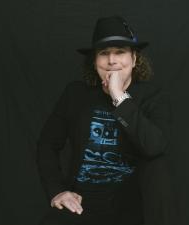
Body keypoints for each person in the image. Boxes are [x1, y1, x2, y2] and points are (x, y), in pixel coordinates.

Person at [36, 15, 172, 225]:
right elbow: (47, 144)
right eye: (104, 54)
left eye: (120, 52)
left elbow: (155, 147)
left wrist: (119, 97)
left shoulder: (152, 97)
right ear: (95, 61)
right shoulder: (75, 94)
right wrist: (58, 191)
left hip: (132, 208)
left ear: (134, 59)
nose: (112, 61)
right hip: (82, 204)